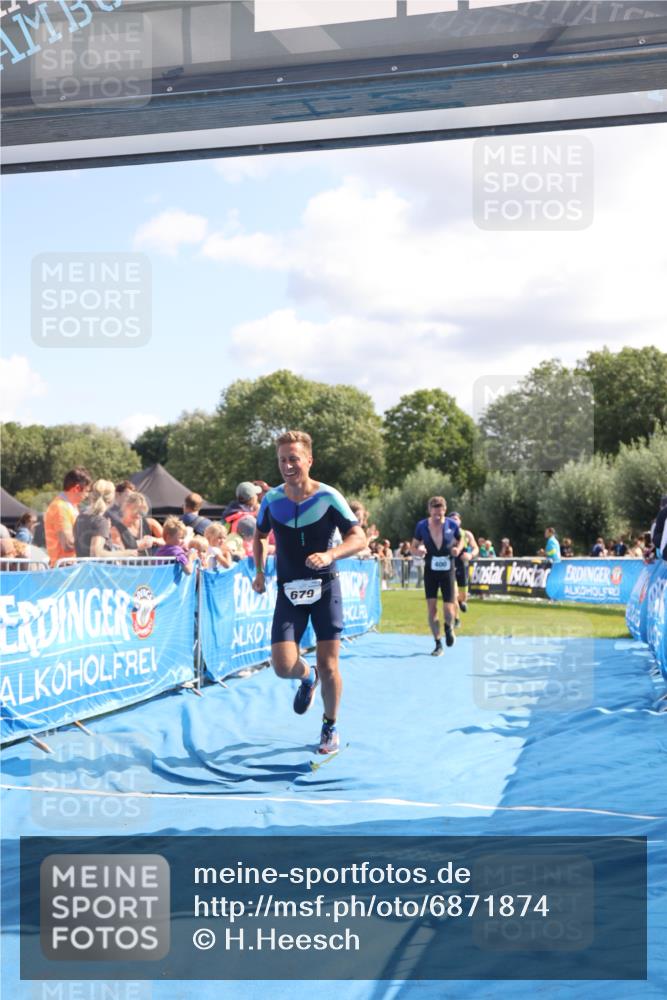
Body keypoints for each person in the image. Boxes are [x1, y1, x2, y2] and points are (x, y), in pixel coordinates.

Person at [252, 430, 366, 755]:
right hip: (289, 591)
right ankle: (307, 677)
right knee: (281, 666)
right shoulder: (272, 500)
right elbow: (259, 535)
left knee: (329, 665)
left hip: (325, 588)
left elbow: (359, 538)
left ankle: (330, 725)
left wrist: (331, 555)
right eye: (282, 460)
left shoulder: (328, 496)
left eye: (294, 459)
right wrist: (259, 571)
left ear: (309, 460)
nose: (287, 466)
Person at [411, 496, 463, 656]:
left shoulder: (452, 524)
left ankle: (449, 627)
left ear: (444, 510)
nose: (437, 517)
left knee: (448, 608)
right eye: (434, 514)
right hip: (430, 571)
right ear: (429, 511)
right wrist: (418, 551)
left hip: (448, 570)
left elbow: (461, 540)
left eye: (440, 514)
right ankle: (438, 643)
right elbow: (413, 546)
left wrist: (458, 549)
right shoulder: (421, 526)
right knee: (432, 608)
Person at [44, 467, 92, 566]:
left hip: (70, 566)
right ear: (77, 488)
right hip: (63, 568)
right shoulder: (60, 507)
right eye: (87, 491)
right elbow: (67, 544)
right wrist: (93, 538)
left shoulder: (71, 506)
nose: (87, 495)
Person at [449, 512, 478, 626]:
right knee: (453, 594)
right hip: (450, 566)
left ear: (460, 521)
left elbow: (475, 548)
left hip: (462, 566)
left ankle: (461, 601)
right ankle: (456, 619)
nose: (454, 521)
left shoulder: (467, 534)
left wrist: (470, 555)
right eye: (451, 519)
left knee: (463, 595)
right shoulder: (446, 534)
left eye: (456, 519)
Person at [74, 479, 116, 557]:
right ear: (111, 500)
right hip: (98, 565)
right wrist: (126, 553)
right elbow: (96, 554)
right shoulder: (100, 521)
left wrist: (105, 529)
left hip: (82, 564)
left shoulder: (80, 517)